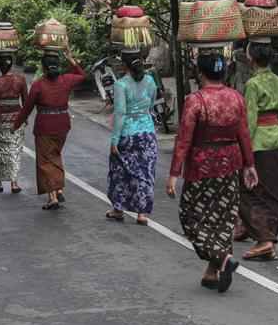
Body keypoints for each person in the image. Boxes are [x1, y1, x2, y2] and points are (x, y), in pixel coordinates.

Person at [166, 51, 258, 293]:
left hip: (202, 166)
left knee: (190, 217)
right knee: (223, 220)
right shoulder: (237, 98)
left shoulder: (195, 101)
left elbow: (183, 140)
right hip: (230, 165)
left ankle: (223, 259)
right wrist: (249, 165)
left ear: (200, 73)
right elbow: (244, 135)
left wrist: (173, 175)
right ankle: (211, 273)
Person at [13, 48, 85, 210]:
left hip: (45, 127)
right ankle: (58, 187)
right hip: (63, 126)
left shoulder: (38, 86)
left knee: (45, 161)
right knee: (55, 154)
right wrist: (72, 61)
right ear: (57, 66)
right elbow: (81, 75)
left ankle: (52, 196)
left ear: (43, 68)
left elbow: (27, 109)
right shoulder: (65, 80)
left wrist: (15, 125)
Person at [237, 42, 278, 260]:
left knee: (248, 190)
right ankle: (263, 237)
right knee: (274, 194)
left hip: (259, 143)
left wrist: (243, 149)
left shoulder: (252, 84)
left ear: (251, 59)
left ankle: (265, 239)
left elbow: (249, 120)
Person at [106, 50, 158, 225]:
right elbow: (151, 103)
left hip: (128, 134)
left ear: (124, 65)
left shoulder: (121, 85)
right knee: (145, 172)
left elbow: (120, 113)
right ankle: (142, 213)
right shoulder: (150, 81)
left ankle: (118, 208)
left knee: (119, 171)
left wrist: (114, 141)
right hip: (148, 132)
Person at [0, 53, 28, 194]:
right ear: (12, 65)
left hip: (0, 120)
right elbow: (26, 101)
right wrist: (25, 118)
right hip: (17, 120)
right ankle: (14, 183)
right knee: (15, 150)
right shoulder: (21, 79)